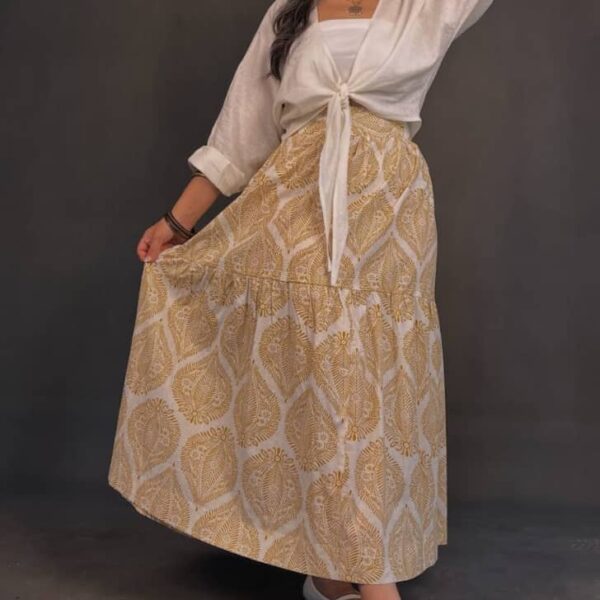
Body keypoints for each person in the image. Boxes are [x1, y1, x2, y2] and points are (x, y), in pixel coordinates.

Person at [107, 1, 495, 599]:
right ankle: (368, 582)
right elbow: (241, 132)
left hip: (388, 210)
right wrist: (177, 224)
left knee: (368, 377)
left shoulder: (420, 5)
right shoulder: (290, 11)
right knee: (323, 372)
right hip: (293, 201)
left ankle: (332, 574)